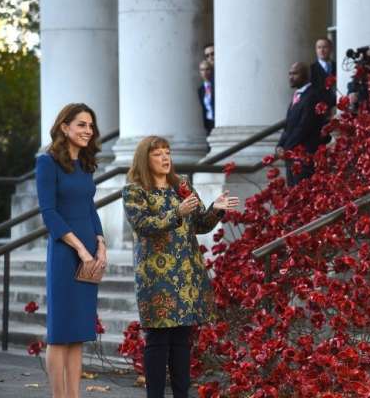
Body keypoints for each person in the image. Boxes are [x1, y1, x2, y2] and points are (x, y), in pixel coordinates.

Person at [122, 136, 239, 398]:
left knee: (182, 341)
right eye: (157, 154)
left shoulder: (182, 187)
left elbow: (199, 225)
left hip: (186, 274)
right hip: (156, 277)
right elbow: (143, 225)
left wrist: (216, 210)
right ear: (145, 159)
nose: (165, 158)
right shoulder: (135, 190)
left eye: (167, 152)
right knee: (158, 340)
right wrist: (177, 213)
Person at [36, 103, 107, 398]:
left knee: (78, 333)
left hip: (90, 251)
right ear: (64, 127)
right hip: (66, 253)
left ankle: (74, 396)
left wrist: (100, 244)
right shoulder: (46, 162)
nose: (87, 131)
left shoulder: (85, 164)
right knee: (60, 333)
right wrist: (80, 248)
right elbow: (49, 212)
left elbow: (90, 208)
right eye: (81, 124)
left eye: (90, 126)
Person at [276, 62, 333, 186]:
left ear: (305, 76)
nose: (291, 77)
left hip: (304, 156)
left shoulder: (312, 96)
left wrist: (286, 148)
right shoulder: (297, 95)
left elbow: (304, 127)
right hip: (292, 156)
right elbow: (289, 125)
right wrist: (280, 145)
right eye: (290, 74)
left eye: (295, 73)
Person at [198, 59, 215, 138]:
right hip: (208, 122)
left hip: (217, 121)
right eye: (202, 70)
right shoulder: (200, 90)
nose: (204, 72)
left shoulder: (216, 86)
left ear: (211, 70)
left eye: (207, 69)